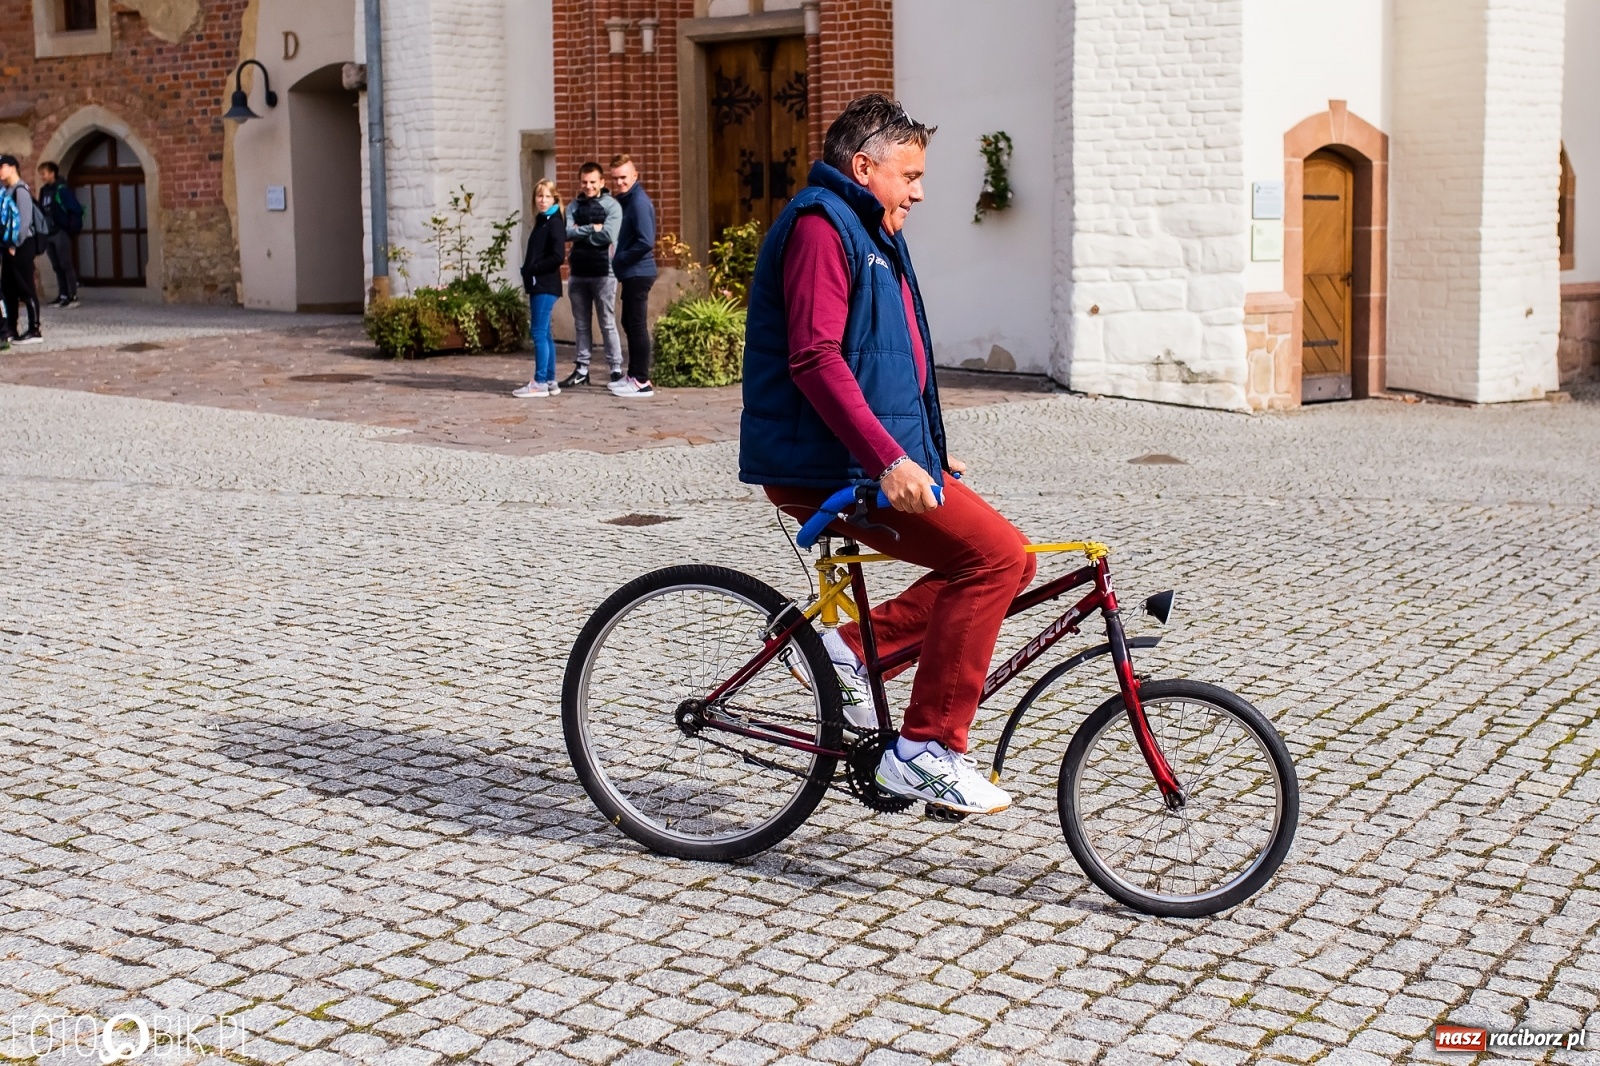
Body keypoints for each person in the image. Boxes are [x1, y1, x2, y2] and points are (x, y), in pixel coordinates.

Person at [739, 95, 1033, 816]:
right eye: (911, 174)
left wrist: (928, 452)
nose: (921, 191)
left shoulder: (870, 227)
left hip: (866, 458)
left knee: (1013, 560)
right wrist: (887, 460)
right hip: (826, 466)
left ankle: (849, 650)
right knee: (990, 558)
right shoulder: (820, 226)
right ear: (863, 165)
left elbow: (885, 363)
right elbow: (815, 359)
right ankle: (926, 751)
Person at [559, 162, 623, 388]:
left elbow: (608, 234)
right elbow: (566, 232)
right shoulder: (573, 206)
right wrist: (591, 228)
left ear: (602, 182)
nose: (588, 186)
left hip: (604, 272)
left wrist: (581, 231)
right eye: (584, 182)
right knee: (581, 324)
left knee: (607, 322)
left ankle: (615, 369)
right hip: (578, 272)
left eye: (593, 182)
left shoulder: (612, 206)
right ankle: (582, 369)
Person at [606, 154, 657, 398]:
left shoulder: (638, 202)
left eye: (624, 177)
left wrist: (620, 258)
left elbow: (646, 241)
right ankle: (633, 375)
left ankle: (641, 381)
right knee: (628, 322)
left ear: (635, 175)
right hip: (631, 273)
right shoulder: (625, 200)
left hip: (639, 272)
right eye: (615, 178)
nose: (619, 183)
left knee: (636, 326)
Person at [514, 179, 567, 398]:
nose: (542, 200)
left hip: (545, 284)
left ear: (555, 198)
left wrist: (533, 269)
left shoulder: (554, 222)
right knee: (544, 333)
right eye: (539, 196)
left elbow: (557, 256)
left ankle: (539, 381)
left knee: (537, 332)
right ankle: (550, 380)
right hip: (539, 283)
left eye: (547, 196)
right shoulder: (542, 220)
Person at [0, 154, 44, 345]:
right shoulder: (7, 190)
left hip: (22, 245)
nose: (0, 171)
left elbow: (24, 223)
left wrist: (15, 244)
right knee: (9, 288)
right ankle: (11, 328)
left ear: (12, 168)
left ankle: (34, 329)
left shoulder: (21, 191)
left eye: (2, 166)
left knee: (25, 286)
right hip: (8, 246)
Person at [37, 161, 82, 309]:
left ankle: (72, 295)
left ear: (52, 173)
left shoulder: (62, 189)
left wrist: (68, 227)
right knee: (56, 266)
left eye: (44, 173)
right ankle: (62, 295)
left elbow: (75, 209)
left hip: (61, 231)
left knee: (65, 264)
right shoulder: (44, 191)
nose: (42, 177)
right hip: (48, 232)